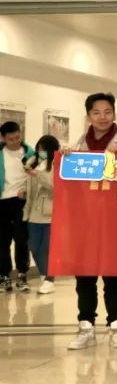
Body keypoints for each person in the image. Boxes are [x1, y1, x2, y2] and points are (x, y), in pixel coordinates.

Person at [68, 93, 117, 350]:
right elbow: (67, 187)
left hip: (114, 222)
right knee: (85, 276)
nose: (102, 117)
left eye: (107, 112)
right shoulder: (78, 146)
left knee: (113, 277)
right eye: (96, 112)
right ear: (88, 116)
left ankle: (116, 325)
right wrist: (64, 159)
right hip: (85, 222)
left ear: (114, 113)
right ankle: (85, 326)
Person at [23, 134, 59, 295]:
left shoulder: (57, 164)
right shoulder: (33, 163)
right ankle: (45, 276)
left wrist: (37, 175)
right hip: (33, 213)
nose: (40, 152)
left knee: (46, 248)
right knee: (35, 248)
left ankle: (50, 280)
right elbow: (31, 186)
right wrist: (24, 191)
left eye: (43, 149)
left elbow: (54, 187)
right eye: (38, 149)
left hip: (50, 212)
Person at [0, 121, 33, 293]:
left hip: (21, 202)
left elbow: (37, 176)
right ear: (3, 138)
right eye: (11, 139)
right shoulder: (1, 153)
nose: (15, 142)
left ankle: (22, 274)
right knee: (2, 241)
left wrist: (27, 191)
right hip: (2, 201)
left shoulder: (30, 153)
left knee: (21, 240)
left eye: (18, 138)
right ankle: (4, 276)